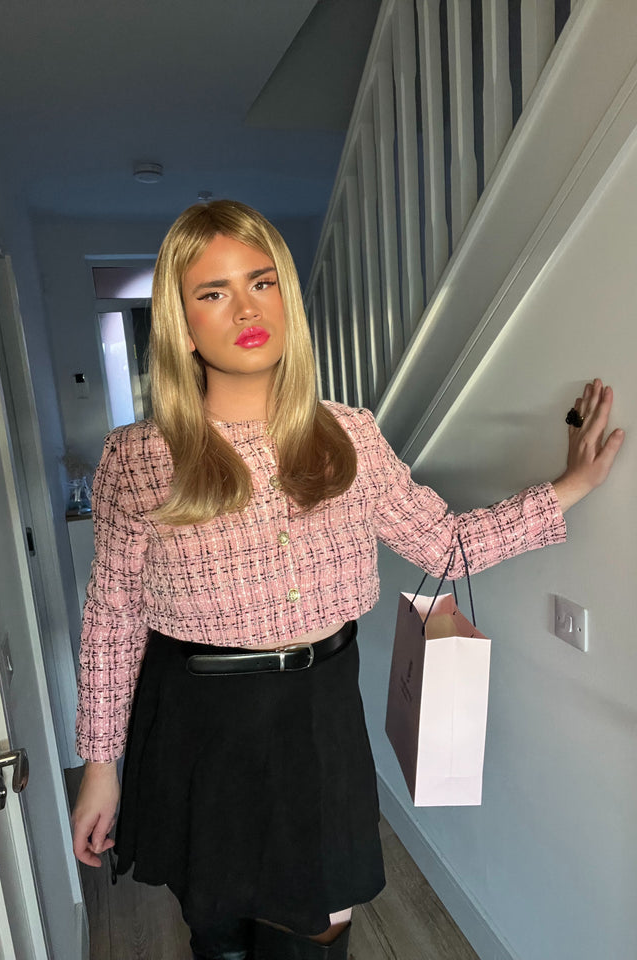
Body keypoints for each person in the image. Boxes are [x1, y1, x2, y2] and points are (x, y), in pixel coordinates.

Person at [71, 200, 624, 960]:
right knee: (217, 923)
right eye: (214, 292)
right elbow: (112, 618)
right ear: (181, 324)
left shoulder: (347, 434)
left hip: (318, 709)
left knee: (320, 926)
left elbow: (445, 543)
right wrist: (101, 766)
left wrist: (570, 487)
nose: (246, 309)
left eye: (262, 282)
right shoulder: (140, 456)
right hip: (200, 718)